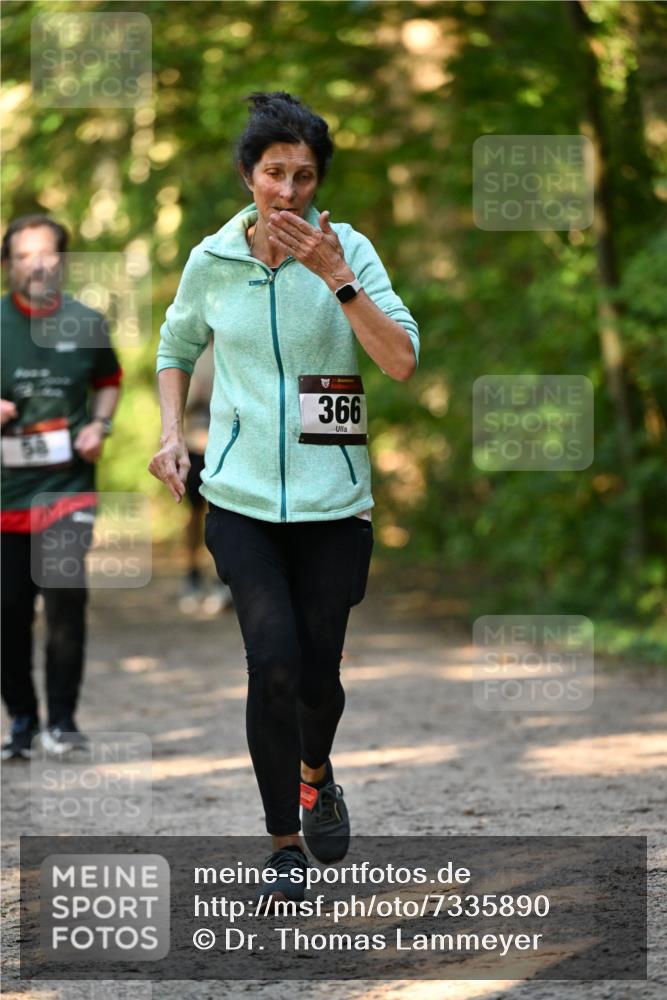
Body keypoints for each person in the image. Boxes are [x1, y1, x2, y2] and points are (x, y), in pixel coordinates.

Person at [148, 92, 419, 902]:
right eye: (274, 173)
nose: (289, 191)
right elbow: (174, 343)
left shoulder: (353, 253)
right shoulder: (212, 260)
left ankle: (316, 770)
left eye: (304, 176)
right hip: (238, 499)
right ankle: (283, 846)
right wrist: (169, 432)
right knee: (269, 662)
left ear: (318, 182)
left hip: (334, 506)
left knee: (316, 678)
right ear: (248, 177)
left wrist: (336, 278)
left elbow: (400, 361)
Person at [1, 215, 122, 759]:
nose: (37, 265)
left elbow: (108, 381)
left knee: (65, 607)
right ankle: (23, 721)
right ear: (9, 265)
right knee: (7, 615)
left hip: (66, 492)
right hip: (4, 498)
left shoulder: (87, 322)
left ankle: (64, 722)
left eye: (46, 254)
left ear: (63, 262)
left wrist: (100, 425)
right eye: (24, 256)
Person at [179, 338, 232, 615]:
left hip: (230, 446)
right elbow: (177, 403)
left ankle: (222, 579)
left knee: (223, 513)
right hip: (197, 444)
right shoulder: (191, 353)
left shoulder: (235, 346)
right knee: (195, 513)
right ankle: (192, 573)